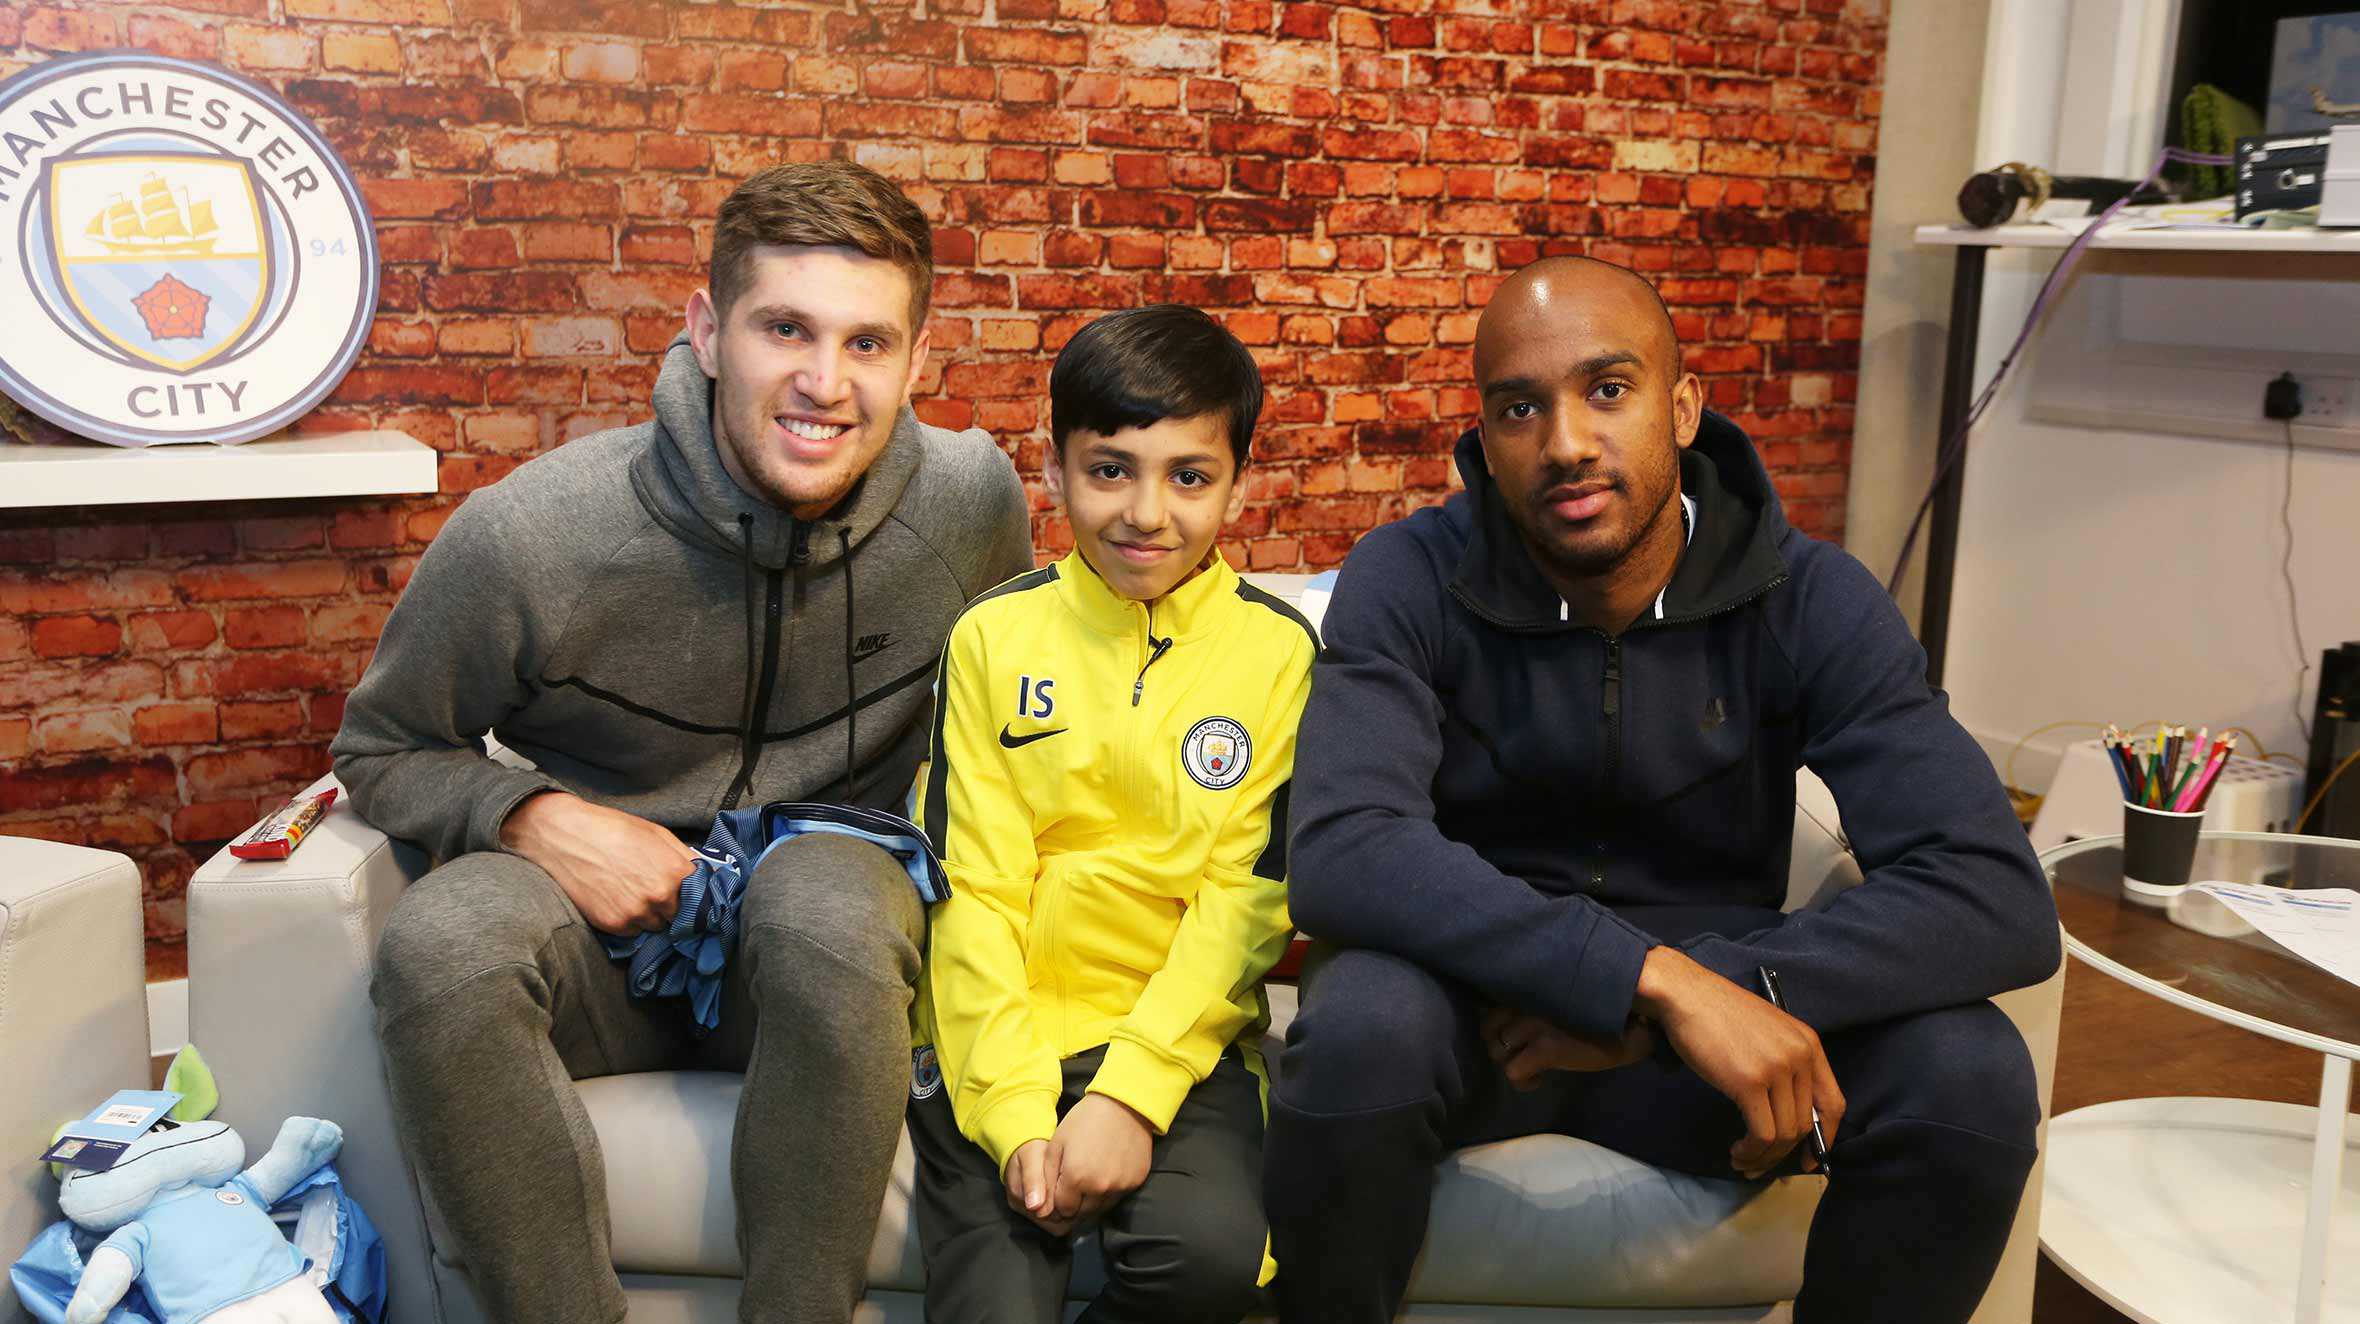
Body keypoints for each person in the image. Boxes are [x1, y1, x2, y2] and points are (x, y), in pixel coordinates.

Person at [1262, 256, 2062, 1323]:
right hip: (1477, 1010)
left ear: (1680, 407)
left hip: (1714, 1044)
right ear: (1484, 441)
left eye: (1605, 389)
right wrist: (1645, 982)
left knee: (1969, 1073)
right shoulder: (1408, 576)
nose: (1564, 444)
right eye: (1517, 408)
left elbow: (1990, 891)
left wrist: (1708, 992)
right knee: (1358, 1025)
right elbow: (1345, 849)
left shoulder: (1809, 595)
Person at [333, 161, 1033, 1324]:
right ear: (707, 332)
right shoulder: (534, 534)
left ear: (918, 361)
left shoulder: (968, 503)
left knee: (827, 900)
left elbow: (1015, 728)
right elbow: (381, 746)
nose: (824, 382)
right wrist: (534, 816)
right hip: (603, 947)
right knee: (443, 941)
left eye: (868, 344)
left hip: (825, 960)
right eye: (784, 329)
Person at [910, 305, 1316, 1322]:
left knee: (1213, 1260)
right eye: (1109, 470)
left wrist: (1130, 1095)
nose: (1146, 512)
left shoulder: (1278, 656)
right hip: (999, 1040)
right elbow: (970, 894)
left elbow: (1246, 902)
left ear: (1237, 481)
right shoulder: (989, 640)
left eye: (1188, 476)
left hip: (1182, 1043)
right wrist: (1012, 1118)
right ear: (1052, 470)